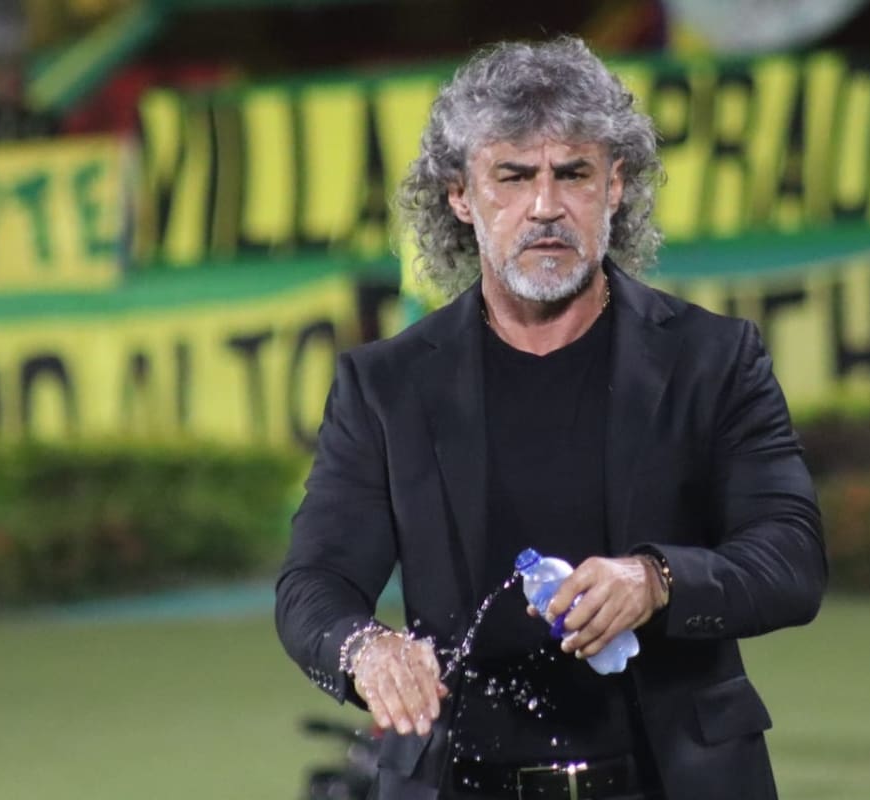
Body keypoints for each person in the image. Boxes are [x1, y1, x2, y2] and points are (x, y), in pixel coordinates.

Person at [276, 37, 827, 800]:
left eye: (572, 173)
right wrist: (365, 649)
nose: (544, 206)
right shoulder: (385, 386)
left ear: (615, 186)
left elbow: (791, 560)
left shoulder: (715, 359)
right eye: (512, 175)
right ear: (461, 197)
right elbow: (314, 584)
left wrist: (658, 579)